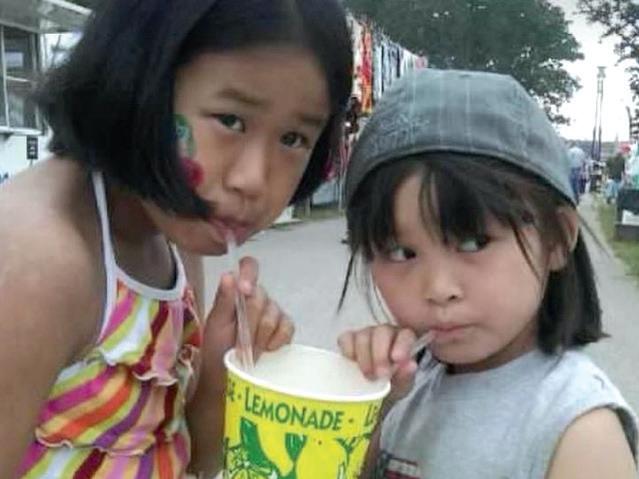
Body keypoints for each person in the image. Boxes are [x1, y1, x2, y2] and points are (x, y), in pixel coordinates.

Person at [0, 1, 352, 477]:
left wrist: (219, 376)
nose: (253, 179)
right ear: (139, 81)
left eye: (292, 139)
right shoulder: (37, 259)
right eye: (230, 120)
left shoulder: (175, 240)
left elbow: (188, 455)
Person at [337, 69, 637, 478]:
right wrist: (365, 406)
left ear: (556, 239)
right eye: (401, 252)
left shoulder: (577, 430)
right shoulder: (405, 389)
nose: (439, 289)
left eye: (473, 243)